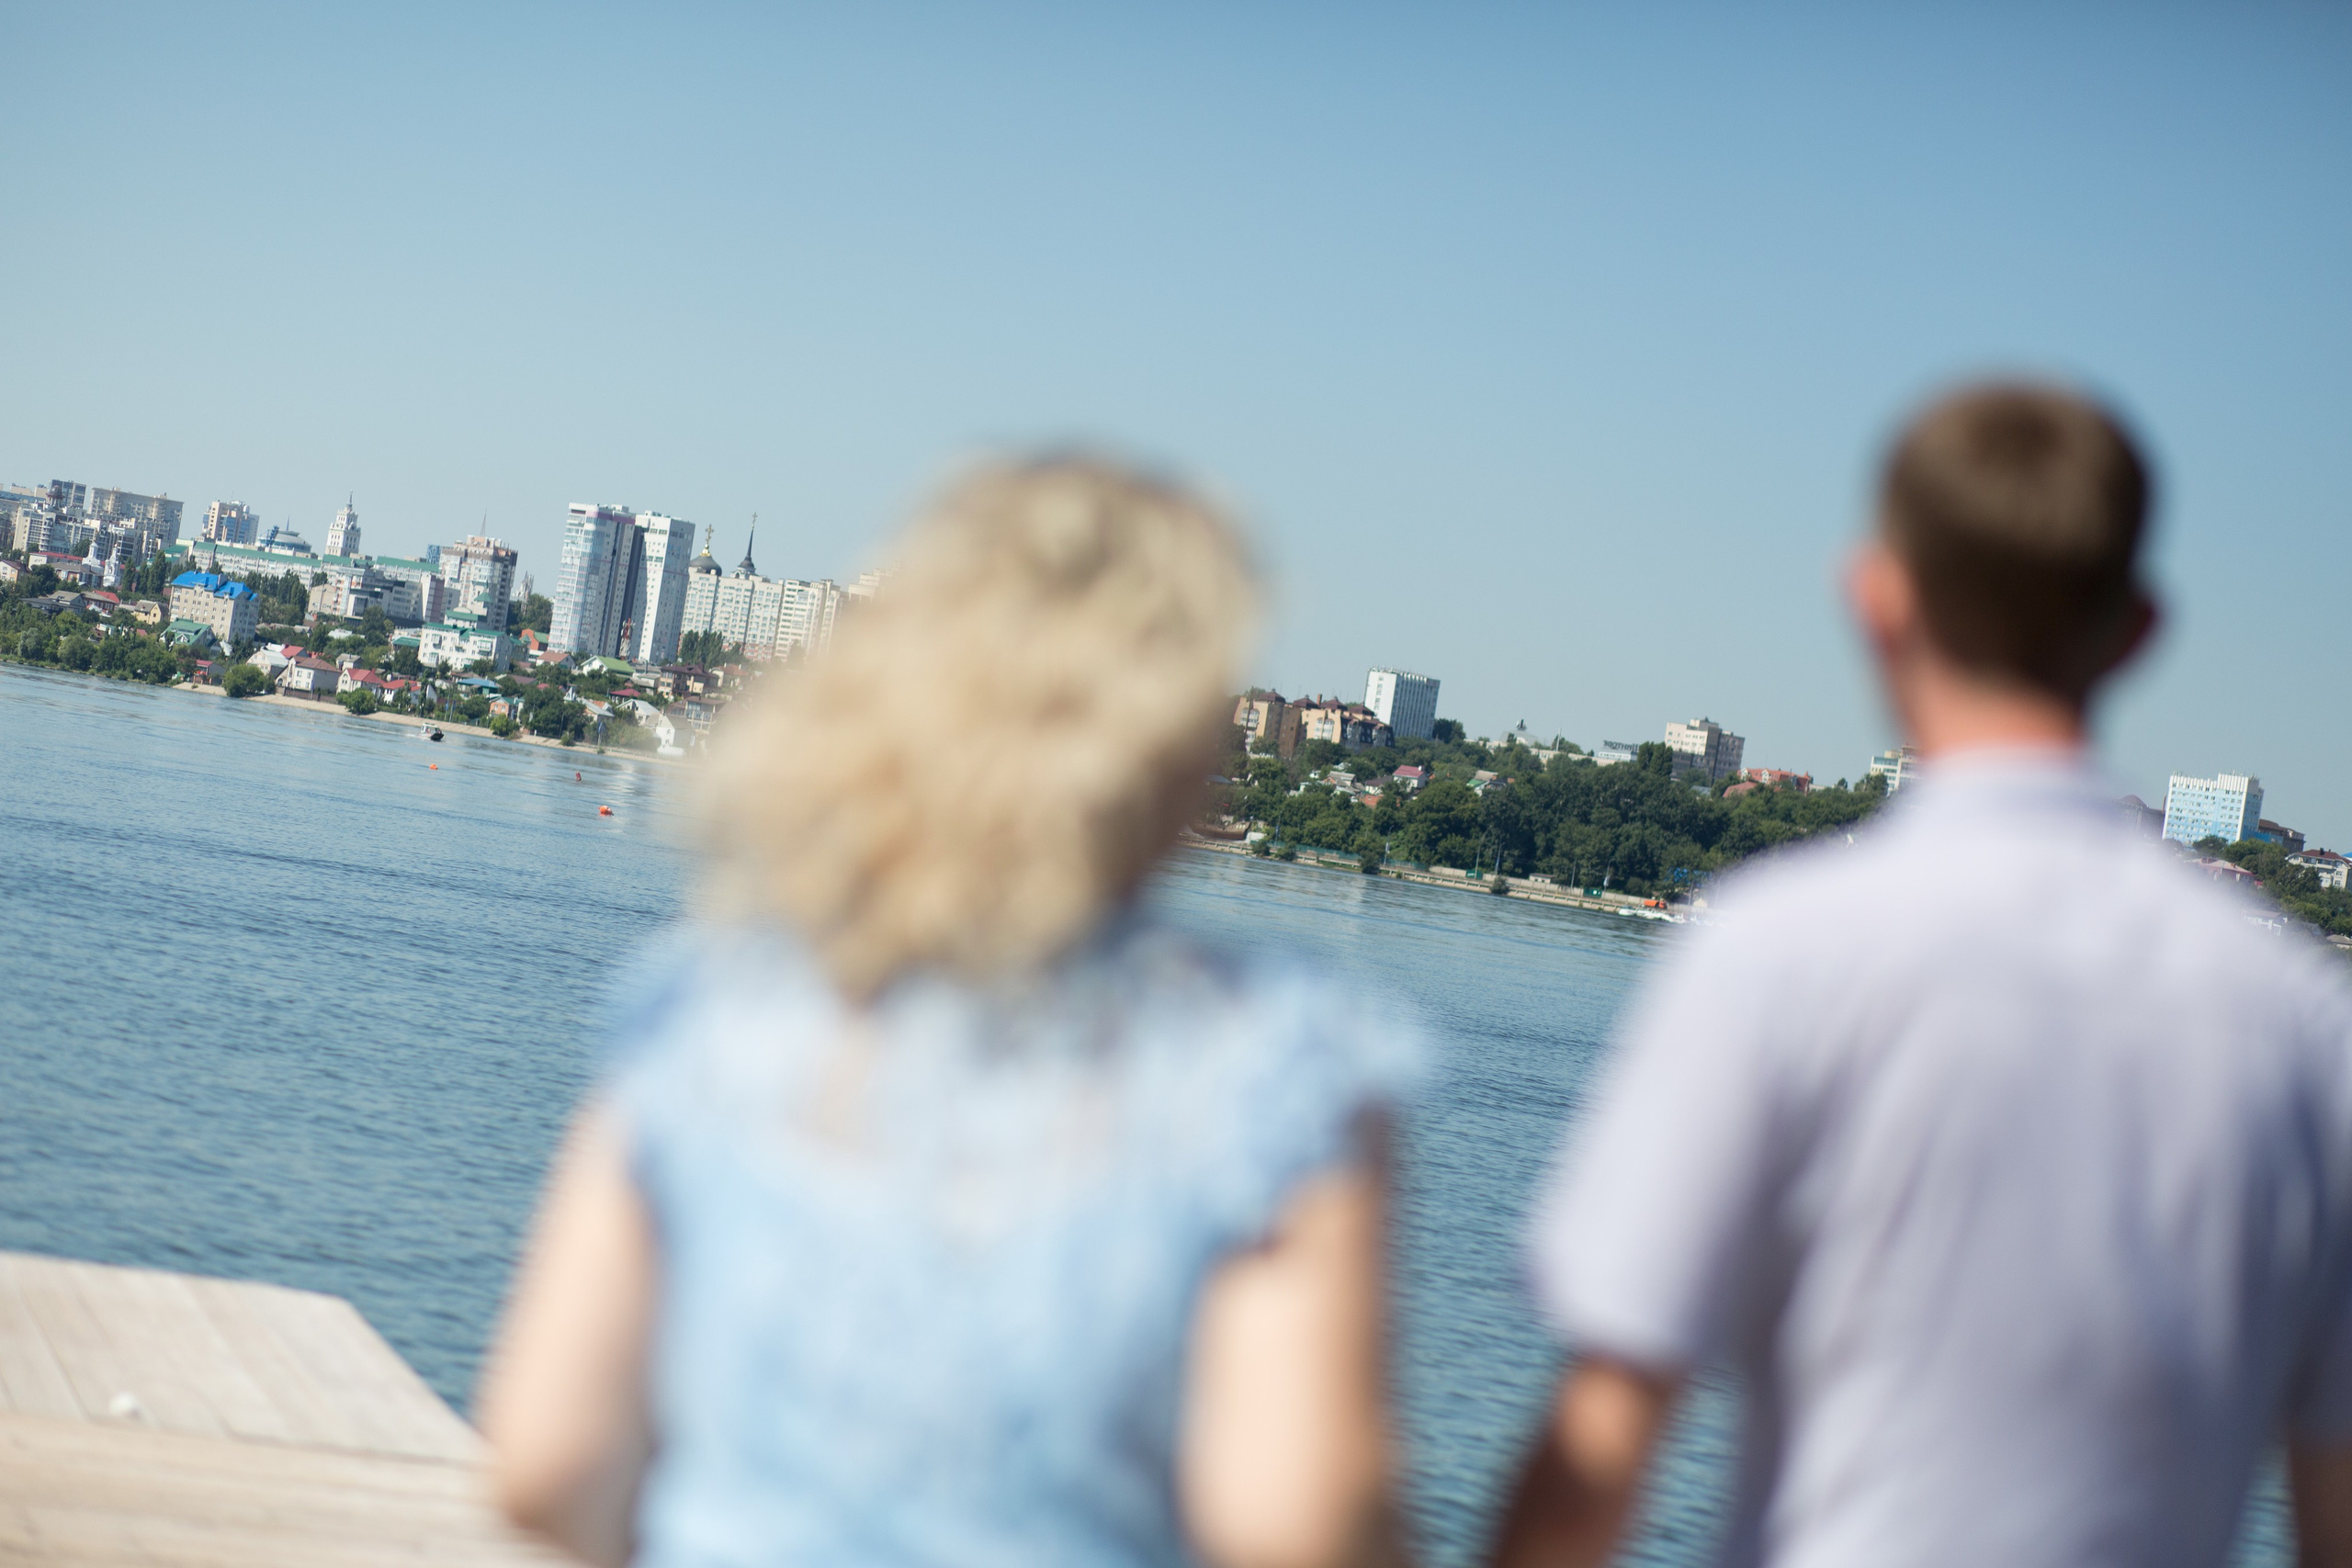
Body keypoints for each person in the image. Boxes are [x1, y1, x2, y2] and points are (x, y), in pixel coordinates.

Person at [479, 457, 1416, 1568]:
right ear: (1177, 743)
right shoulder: (1272, 1063)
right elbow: (1294, 1521)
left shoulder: (704, 1010)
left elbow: (544, 1460)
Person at [1498, 383, 2352, 1568]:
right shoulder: (2305, 1024)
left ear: (1877, 600)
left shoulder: (1774, 950)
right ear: (2137, 629)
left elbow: (1606, 1431)